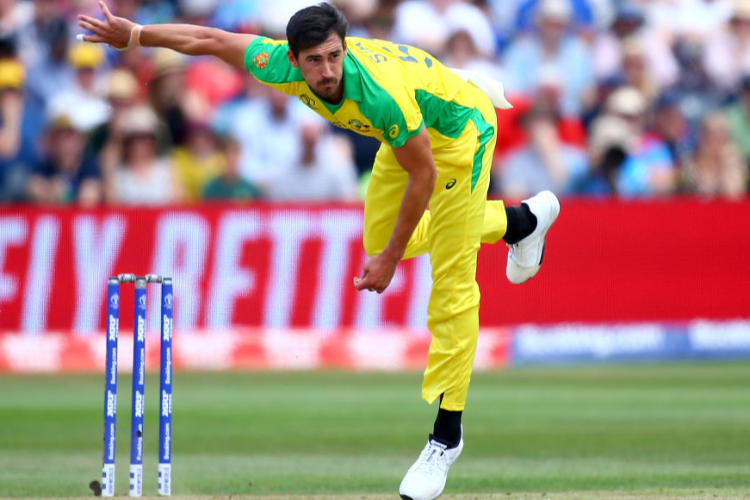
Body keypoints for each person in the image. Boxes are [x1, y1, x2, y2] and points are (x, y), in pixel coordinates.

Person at [78, 3, 561, 499]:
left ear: (344, 48)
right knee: (385, 239)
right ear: (293, 59)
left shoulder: (377, 97)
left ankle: (446, 436)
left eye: (334, 57)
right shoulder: (280, 66)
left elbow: (426, 176)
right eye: (314, 61)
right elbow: (210, 40)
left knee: (452, 280)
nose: (326, 71)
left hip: (458, 133)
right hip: (408, 134)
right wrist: (135, 34)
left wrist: (392, 261)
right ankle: (521, 221)